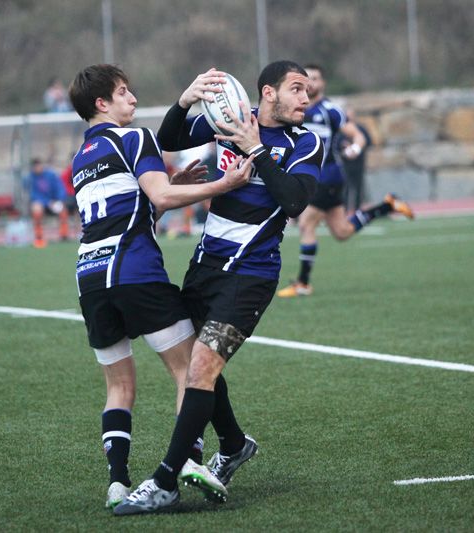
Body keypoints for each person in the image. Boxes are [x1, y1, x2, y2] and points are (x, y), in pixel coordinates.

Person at [114, 61, 322, 515]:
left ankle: (165, 481)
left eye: (307, 91)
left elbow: (294, 201)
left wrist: (256, 150)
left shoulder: (306, 142)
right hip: (205, 267)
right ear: (268, 93)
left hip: (251, 274)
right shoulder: (232, 118)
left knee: (201, 368)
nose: (306, 99)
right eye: (296, 89)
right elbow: (169, 140)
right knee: (195, 365)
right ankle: (232, 443)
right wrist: (185, 100)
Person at [68, 64, 254, 509]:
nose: (132, 100)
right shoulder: (134, 138)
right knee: (189, 370)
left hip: (91, 280)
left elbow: (134, 211)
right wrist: (222, 183)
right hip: (136, 274)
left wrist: (169, 187)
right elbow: (161, 199)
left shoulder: (80, 159)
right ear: (102, 103)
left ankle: (117, 482)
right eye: (124, 92)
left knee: (119, 387)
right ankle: (188, 462)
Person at [276, 64, 414, 298]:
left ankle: (303, 283)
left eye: (316, 78)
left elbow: (358, 135)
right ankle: (387, 205)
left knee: (306, 224)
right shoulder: (294, 110)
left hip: (327, 176)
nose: (311, 84)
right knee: (342, 232)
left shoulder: (330, 110)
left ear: (323, 83)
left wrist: (356, 148)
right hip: (317, 177)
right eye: (307, 79)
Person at [24, 157, 69, 248]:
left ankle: (63, 235)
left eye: (38, 166)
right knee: (36, 208)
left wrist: (59, 200)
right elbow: (34, 195)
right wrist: (48, 202)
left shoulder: (51, 175)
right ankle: (39, 236)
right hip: (43, 203)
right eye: (35, 167)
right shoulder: (30, 178)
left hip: (54, 202)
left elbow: (60, 188)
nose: (37, 168)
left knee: (63, 209)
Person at [340, 107, 371, 211]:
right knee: (345, 187)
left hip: (358, 163)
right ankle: (344, 210)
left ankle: (357, 209)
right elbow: (336, 143)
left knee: (358, 187)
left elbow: (367, 141)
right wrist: (344, 147)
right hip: (345, 164)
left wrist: (356, 148)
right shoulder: (341, 129)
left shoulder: (361, 129)